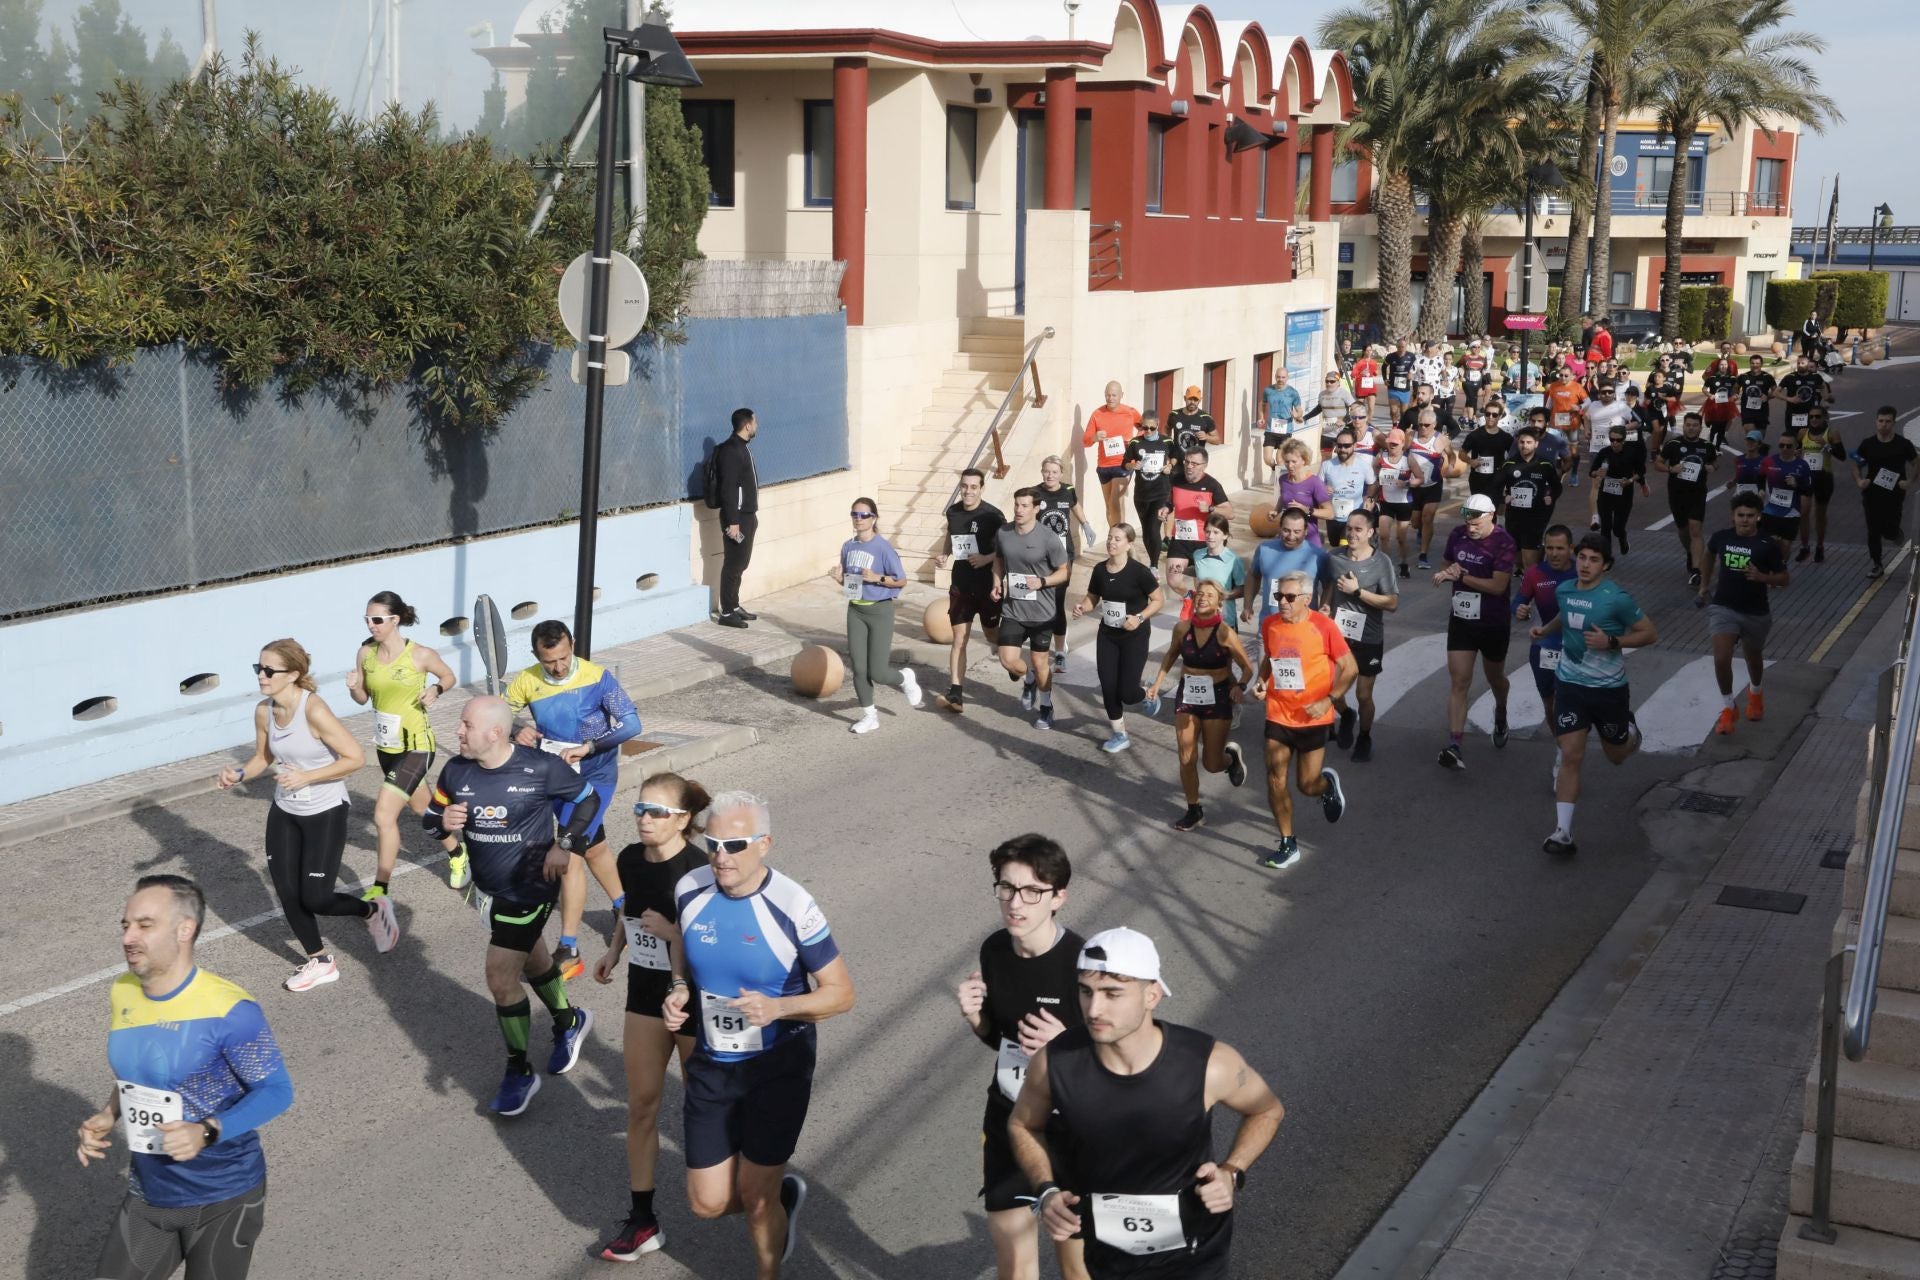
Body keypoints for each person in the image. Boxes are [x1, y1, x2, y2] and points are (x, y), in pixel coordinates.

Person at [1010, 927, 1285, 1280]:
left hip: (1194, 1256)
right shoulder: (1054, 1062)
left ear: (1151, 994)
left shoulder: (1207, 1063)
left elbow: (1267, 1109)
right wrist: (1046, 1191)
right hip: (1108, 1257)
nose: (1094, 1009)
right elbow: (1023, 1124)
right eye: (1085, 991)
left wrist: (1233, 1172)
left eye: (1113, 993)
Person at [661, 791, 856, 1280]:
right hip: (711, 1062)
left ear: (764, 844)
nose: (720, 856)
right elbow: (685, 940)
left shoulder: (793, 905)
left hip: (777, 1068)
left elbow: (840, 994)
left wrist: (779, 1007)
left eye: (735, 844)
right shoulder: (690, 887)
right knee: (707, 1203)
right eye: (712, 844)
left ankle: (768, 1246)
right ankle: (777, 1198)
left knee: (754, 1197)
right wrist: (680, 986)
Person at [80, 876, 294, 1280]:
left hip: (223, 1198)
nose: (128, 936)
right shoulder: (123, 990)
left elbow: (277, 1091)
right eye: (125, 925)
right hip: (149, 1192)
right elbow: (140, 1072)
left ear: (184, 930)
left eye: (144, 925)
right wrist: (110, 1114)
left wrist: (207, 1132)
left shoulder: (229, 1010)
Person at [424, 697, 601, 1115]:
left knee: (500, 977)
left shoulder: (540, 768)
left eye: (466, 725)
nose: (458, 732)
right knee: (533, 961)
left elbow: (589, 800)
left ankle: (519, 1071)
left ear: (495, 733)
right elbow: (431, 818)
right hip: (488, 892)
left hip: (530, 890)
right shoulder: (456, 770)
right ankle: (569, 1021)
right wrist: (442, 824)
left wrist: (566, 844)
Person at [218, 639, 394, 992]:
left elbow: (355, 758)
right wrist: (238, 774)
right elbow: (262, 758)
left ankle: (372, 911)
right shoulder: (262, 710)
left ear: (294, 674)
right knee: (287, 890)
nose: (261, 676)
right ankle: (320, 961)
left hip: (325, 810)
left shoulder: (313, 710)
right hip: (285, 809)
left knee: (316, 897)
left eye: (269, 670)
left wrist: (306, 776)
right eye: (258, 668)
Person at [954, 835, 1091, 1280]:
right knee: (1013, 1267)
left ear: (1058, 898)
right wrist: (976, 1017)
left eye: (1032, 891)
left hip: (1075, 1129)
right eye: (1007, 888)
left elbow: (1123, 1061)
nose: (1016, 903)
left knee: (1077, 1266)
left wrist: (1067, 1044)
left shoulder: (1083, 965)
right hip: (1011, 1118)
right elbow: (1001, 1039)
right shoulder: (995, 950)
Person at [591, 773, 711, 1262]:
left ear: (683, 819)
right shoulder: (627, 858)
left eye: (657, 812)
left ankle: (761, 1188)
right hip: (644, 995)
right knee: (641, 1105)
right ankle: (642, 1221)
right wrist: (615, 952)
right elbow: (629, 911)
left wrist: (674, 932)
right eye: (640, 809)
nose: (644, 819)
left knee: (705, 1108)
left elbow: (713, 947)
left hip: (695, 1002)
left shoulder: (700, 870)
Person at [506, 620, 641, 981]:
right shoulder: (526, 680)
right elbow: (500, 712)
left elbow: (631, 724)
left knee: (569, 856)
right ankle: (626, 909)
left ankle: (569, 949)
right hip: (558, 778)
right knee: (593, 847)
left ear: (573, 645)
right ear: (537, 656)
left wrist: (591, 747)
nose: (559, 667)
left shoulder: (597, 678)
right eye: (550, 661)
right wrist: (516, 728)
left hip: (596, 778)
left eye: (564, 657)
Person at [1531, 536, 1656, 855]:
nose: (1585, 564)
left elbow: (1649, 633)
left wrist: (1613, 643)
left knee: (1617, 756)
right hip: (1570, 685)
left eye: (1593, 559)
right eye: (1582, 557)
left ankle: (1630, 733)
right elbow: (1566, 614)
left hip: (1608, 690)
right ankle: (1562, 832)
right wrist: (1546, 630)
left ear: (1606, 565)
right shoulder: (1565, 589)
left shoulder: (1616, 599)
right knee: (1571, 754)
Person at [344, 591, 465, 898]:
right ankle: (457, 853)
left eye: (377, 619)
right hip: (387, 747)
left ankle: (380, 888)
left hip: (417, 745)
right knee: (422, 807)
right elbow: (363, 698)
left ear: (395, 620)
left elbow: (448, 675)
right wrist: (353, 687)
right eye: (367, 619)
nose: (371, 625)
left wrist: (436, 689)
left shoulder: (419, 655)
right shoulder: (365, 654)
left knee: (384, 815)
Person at [1146, 580, 1255, 833]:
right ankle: (1194, 809)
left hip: (1217, 697)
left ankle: (1231, 759)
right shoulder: (1182, 628)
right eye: (1199, 594)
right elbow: (1171, 655)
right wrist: (1157, 684)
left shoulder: (1226, 633)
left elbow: (1247, 667)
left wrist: (1239, 686)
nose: (1202, 598)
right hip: (1187, 695)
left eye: (1209, 595)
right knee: (1186, 755)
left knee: (1211, 763)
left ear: (1219, 602)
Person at [1435, 494, 1517, 771]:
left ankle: (1501, 710)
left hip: (1493, 622)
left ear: (1491, 515)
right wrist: (1448, 571)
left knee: (1495, 678)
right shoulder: (1457, 534)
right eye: (1467, 518)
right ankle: (1455, 744)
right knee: (1459, 681)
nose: (1470, 524)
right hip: (1462, 619)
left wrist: (1462, 577)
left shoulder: (1504, 542)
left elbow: (1498, 586)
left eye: (1476, 519)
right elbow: (1445, 565)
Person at [1699, 495, 1789, 736]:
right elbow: (1707, 554)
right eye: (1741, 515)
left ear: (1758, 517)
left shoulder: (1766, 544)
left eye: (1750, 516)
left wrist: (1763, 578)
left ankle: (1756, 693)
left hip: (1756, 613)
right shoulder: (1722, 538)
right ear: (1733, 516)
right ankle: (1728, 708)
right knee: (1721, 658)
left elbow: (1784, 579)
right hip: (1724, 608)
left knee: (1753, 658)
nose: (1745, 520)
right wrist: (1704, 585)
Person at [831, 497, 921, 734]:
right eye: (854, 514)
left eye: (863, 515)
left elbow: (901, 579)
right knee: (859, 669)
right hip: (856, 610)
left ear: (874, 518)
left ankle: (905, 678)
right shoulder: (848, 546)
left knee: (878, 673)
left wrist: (878, 578)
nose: (858, 520)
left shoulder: (883, 548)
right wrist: (838, 577)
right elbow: (849, 580)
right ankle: (870, 716)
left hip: (880, 610)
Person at [1073, 523, 1165, 754]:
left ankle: (1146, 692)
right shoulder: (1100, 570)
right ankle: (1119, 734)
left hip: (1135, 636)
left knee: (1127, 692)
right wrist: (1082, 607)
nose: (1112, 542)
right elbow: (1093, 597)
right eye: (1110, 538)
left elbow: (1158, 600)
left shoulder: (1139, 572)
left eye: (1117, 539)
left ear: (1128, 544)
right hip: (1108, 635)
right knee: (1108, 686)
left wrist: (1140, 617)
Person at [995, 487, 1074, 729]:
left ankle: (1046, 706)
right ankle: (1027, 676)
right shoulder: (1004, 532)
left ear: (1036, 509)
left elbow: (1064, 572)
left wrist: (1042, 582)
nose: (1019, 510)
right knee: (1008, 660)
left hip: (1042, 612)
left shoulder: (1048, 538)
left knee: (1041, 663)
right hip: (1013, 609)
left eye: (1025, 505)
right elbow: (999, 559)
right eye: (1017, 505)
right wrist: (997, 581)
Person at [1324, 510, 1396, 763]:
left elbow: (1392, 603)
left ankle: (1364, 736)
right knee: (1330, 689)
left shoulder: (1381, 562)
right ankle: (1346, 715)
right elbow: (1329, 585)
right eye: (1349, 529)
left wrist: (1358, 592)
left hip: (1369, 637)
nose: (1352, 534)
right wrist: (1325, 605)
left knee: (1364, 695)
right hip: (1338, 635)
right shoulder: (1334, 558)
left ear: (1370, 533)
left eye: (1358, 529)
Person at [937, 468, 1007, 713]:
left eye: (973, 487)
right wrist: (944, 554)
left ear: (981, 488)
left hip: (987, 586)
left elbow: (1005, 550)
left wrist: (986, 559)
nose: (968, 491)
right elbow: (951, 534)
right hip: (961, 584)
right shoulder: (953, 512)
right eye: (964, 486)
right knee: (959, 639)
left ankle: (1008, 659)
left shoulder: (994, 516)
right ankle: (956, 692)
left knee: (991, 634)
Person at [1514, 526, 1578, 790]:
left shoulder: (1581, 571)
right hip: (1545, 649)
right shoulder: (1534, 573)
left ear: (1570, 549)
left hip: (1578, 649)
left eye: (1560, 548)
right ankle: (1562, 750)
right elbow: (1519, 599)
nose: (1553, 553)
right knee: (1551, 706)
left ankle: (1571, 755)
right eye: (1549, 547)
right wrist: (1519, 608)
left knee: (1574, 705)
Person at [1036, 456, 1096, 673]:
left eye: (1054, 472)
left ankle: (1060, 652)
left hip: (1063, 554)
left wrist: (1086, 525)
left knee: (1057, 601)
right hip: (1040, 555)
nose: (1050, 476)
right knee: (1043, 600)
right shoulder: (1035, 493)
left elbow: (1075, 506)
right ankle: (1043, 643)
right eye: (1046, 471)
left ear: (1061, 474)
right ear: (1042, 472)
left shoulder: (1068, 490)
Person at [1656, 412, 1720, 588]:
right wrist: (1671, 469)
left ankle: (1697, 571)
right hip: (1677, 495)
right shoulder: (1673, 444)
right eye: (1688, 425)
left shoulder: (1707, 446)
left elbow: (1715, 463)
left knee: (1696, 529)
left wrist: (1711, 467)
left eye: (1695, 425)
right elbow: (1658, 463)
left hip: (1698, 494)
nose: (1691, 428)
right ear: (1683, 426)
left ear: (1700, 427)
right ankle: (1691, 554)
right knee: (1684, 531)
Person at [1857, 405, 1920, 579]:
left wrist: (1909, 482)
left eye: (1888, 422)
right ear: (1876, 422)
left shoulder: (1903, 444)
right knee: (1873, 530)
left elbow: (1917, 462)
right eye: (1881, 421)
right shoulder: (1867, 444)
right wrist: (1860, 480)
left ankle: (1894, 532)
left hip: (1894, 493)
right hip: (1872, 493)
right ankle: (1877, 564)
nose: (1884, 425)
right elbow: (1856, 463)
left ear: (1893, 423)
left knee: (1890, 530)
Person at [1245, 508, 1332, 631]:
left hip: (1304, 630)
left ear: (1306, 531)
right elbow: (1253, 575)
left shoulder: (1318, 555)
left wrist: (1323, 610)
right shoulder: (1264, 549)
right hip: (1270, 628)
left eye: (1297, 532)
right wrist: (1247, 605)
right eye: (1286, 530)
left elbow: (1329, 585)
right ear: (1280, 528)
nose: (1291, 536)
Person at [713, 408, 761, 629]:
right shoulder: (731, 450)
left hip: (746, 516)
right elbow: (729, 488)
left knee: (742, 562)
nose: (756, 425)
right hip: (737, 518)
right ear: (748, 425)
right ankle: (727, 612)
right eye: (755, 421)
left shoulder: (741, 448)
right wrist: (733, 521)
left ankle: (734, 604)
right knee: (733, 563)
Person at [1165, 448, 1233, 589]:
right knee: (1173, 580)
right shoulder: (1176, 479)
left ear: (1204, 465)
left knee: (1203, 585)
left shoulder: (1212, 485)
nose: (1189, 466)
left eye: (1194, 464)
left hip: (1204, 542)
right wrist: (1165, 508)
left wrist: (1210, 509)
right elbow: (1169, 502)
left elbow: (1230, 513)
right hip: (1181, 539)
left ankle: (1200, 607)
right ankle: (1190, 599)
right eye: (1187, 462)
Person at [1498, 426, 1563, 570]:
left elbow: (1557, 487)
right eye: (1522, 442)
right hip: (1514, 517)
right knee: (1518, 561)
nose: (1524, 445)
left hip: (1535, 517)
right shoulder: (1509, 464)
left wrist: (1551, 497)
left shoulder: (1545, 465)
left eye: (1528, 442)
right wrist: (1504, 498)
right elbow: (1496, 486)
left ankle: (1531, 587)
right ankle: (1539, 556)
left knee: (1529, 562)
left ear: (1536, 444)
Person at [1083, 382, 1143, 530]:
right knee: (1110, 507)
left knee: (1115, 500)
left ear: (1121, 395)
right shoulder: (1097, 414)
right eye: (1107, 395)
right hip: (1104, 465)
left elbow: (1145, 428)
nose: (1110, 398)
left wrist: (1134, 442)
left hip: (1124, 463)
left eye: (1114, 395)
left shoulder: (1130, 412)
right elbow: (1085, 441)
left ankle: (1119, 538)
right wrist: (1095, 437)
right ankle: (1119, 540)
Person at [1373, 429, 1425, 578]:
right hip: (1386, 501)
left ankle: (1403, 563)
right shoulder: (1381, 456)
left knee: (1401, 538)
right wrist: (1378, 477)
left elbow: (1420, 479)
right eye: (1390, 443)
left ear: (1402, 444)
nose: (1392, 446)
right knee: (1383, 536)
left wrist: (1407, 483)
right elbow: (1374, 468)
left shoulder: (1408, 459)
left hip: (1404, 503)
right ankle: (1387, 566)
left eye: (1395, 444)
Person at [1795, 405, 1845, 563]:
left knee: (1820, 514)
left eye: (1817, 416)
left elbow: (1842, 456)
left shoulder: (1831, 433)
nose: (1814, 419)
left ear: (1825, 418)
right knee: (1803, 512)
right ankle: (1804, 547)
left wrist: (1826, 445)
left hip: (1824, 477)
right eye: (1811, 417)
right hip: (1806, 477)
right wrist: (1796, 454)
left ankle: (1819, 546)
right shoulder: (1803, 432)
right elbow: (1795, 451)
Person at [1124, 416, 1176, 567]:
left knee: (1154, 529)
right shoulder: (1135, 442)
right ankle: (1152, 561)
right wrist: (1133, 465)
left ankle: (1154, 566)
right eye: (1144, 428)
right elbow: (1125, 463)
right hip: (1141, 494)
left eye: (1152, 428)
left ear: (1158, 426)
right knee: (1147, 532)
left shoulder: (1167, 441)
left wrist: (1170, 466)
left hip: (1160, 492)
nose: (1148, 431)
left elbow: (1175, 457)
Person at [1406, 412, 1453, 570]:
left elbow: (1451, 456)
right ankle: (1420, 530)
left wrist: (1450, 467)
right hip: (1415, 486)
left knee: (1427, 517)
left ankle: (1423, 555)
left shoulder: (1441, 439)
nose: (1423, 428)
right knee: (1415, 522)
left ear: (1434, 425)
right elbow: (1401, 452)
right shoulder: (1411, 435)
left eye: (1427, 425)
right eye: (1421, 425)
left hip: (1433, 485)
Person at [1590, 425, 1644, 559]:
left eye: (1618, 440)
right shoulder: (1604, 452)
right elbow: (1591, 472)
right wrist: (1597, 473)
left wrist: (1630, 481)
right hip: (1606, 495)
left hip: (1624, 495)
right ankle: (1606, 557)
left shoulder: (1631, 453)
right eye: (1612, 439)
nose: (1614, 443)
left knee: (1618, 528)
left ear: (1624, 440)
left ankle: (1622, 537)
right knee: (1605, 528)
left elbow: (1641, 472)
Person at [1318, 429, 1376, 549]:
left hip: (1353, 517)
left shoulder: (1363, 466)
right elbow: (1317, 486)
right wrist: (1323, 489)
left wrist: (1369, 498)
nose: (1343, 449)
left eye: (1347, 446)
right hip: (1333, 516)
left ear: (1354, 445)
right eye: (1340, 446)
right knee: (1334, 543)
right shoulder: (1327, 465)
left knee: (1344, 547)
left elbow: (1373, 484)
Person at [1188, 513, 1246, 631]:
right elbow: (1199, 576)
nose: (1210, 536)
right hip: (1202, 616)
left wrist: (1224, 596)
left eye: (1216, 532)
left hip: (1224, 620)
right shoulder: (1197, 555)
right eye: (1208, 531)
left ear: (1225, 536)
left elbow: (1243, 589)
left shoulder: (1233, 559)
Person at [1759, 435, 1813, 560]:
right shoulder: (1769, 461)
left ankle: (1781, 568)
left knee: (1785, 545)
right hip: (1770, 510)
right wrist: (1761, 489)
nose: (1784, 448)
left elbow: (1809, 491)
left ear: (1795, 447)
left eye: (1788, 446)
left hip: (1791, 513)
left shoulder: (1802, 465)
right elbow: (1760, 477)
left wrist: (1796, 485)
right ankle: (1771, 569)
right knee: (1770, 543)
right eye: (1781, 445)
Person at [1273, 439, 1334, 548]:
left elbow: (1330, 514)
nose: (1289, 465)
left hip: (1309, 538)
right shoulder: (1283, 479)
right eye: (1287, 461)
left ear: (1304, 460)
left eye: (1294, 461)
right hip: (1287, 537)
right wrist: (1275, 511)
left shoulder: (1314, 482)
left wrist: (1307, 510)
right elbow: (1283, 497)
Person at [1459, 403, 1515, 512]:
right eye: (1488, 414)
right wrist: (1471, 461)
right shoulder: (1474, 435)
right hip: (1477, 479)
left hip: (1496, 480)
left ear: (1500, 416)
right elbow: (1462, 453)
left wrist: (1506, 471)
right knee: (1477, 510)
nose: (1490, 417)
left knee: (1491, 511)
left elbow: (1513, 458)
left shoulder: (1506, 437)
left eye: (1494, 415)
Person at [1259, 366, 1305, 471]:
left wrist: (1296, 415)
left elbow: (1299, 410)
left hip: (1286, 430)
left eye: (1283, 377)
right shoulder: (1268, 390)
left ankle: (1278, 484)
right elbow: (1262, 404)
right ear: (1275, 377)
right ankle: (1275, 469)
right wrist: (1261, 417)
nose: (1280, 379)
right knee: (1267, 459)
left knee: (1280, 460)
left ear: (1287, 378)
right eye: (1278, 377)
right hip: (1271, 429)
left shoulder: (1293, 393)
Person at [1777, 354, 1830, 443]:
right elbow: (1776, 392)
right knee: (1792, 439)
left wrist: (1825, 398)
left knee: (1808, 439)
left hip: (1810, 415)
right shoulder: (1790, 377)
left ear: (1808, 364)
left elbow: (1823, 386)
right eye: (1798, 363)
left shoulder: (1815, 377)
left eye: (1802, 363)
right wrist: (1789, 399)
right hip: (1792, 414)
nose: (1800, 365)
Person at [1307, 370, 1356, 456]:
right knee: (1325, 459)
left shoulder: (1344, 393)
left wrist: (1344, 420)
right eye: (1327, 381)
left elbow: (1355, 409)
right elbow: (1319, 408)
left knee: (1343, 457)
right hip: (1327, 432)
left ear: (1338, 383)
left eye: (1332, 381)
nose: (1329, 384)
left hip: (1342, 432)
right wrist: (1304, 418)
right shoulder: (1322, 394)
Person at [1167, 385, 1222, 458]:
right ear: (1184, 398)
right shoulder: (1174, 414)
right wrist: (1168, 445)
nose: (1192, 402)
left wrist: (1206, 437)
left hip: (1195, 463)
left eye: (1195, 400)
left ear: (1200, 400)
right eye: (1190, 399)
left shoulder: (1206, 418)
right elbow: (1167, 429)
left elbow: (1218, 440)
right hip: (1176, 461)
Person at [1700, 357, 1741, 450]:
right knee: (1715, 426)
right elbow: (1704, 389)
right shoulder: (1712, 378)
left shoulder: (1732, 379)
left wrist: (1736, 395)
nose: (1723, 366)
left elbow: (1737, 389)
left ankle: (1717, 447)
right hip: (1714, 405)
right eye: (1721, 364)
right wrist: (1709, 395)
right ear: (1718, 366)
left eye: (1725, 364)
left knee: (1722, 427)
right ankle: (1710, 442)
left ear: (1728, 366)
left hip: (1727, 405)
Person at [1737, 354, 1777, 438]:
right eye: (1753, 363)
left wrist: (1767, 396)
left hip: (1762, 411)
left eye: (1757, 363)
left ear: (1761, 364)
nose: (1755, 365)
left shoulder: (1768, 377)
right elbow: (1735, 389)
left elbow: (1776, 392)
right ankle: (1751, 449)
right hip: (1747, 410)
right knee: (1751, 436)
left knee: (1759, 437)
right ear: (1750, 364)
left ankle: (1758, 450)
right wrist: (1735, 395)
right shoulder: (1743, 377)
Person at [1383, 338, 1417, 421]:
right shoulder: (1390, 356)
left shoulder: (1412, 356)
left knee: (1403, 412)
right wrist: (1385, 379)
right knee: (1393, 411)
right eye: (1399, 347)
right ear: (1396, 347)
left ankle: (1402, 427)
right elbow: (1383, 367)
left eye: (1403, 347)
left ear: (1406, 346)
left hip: (1405, 388)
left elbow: (1417, 368)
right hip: (1393, 387)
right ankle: (1394, 426)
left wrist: (1412, 374)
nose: (1401, 349)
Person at [1458, 338, 1493, 414]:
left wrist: (1483, 375)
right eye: (1474, 347)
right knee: (1471, 398)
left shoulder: (1483, 358)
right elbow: (1457, 366)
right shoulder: (1465, 357)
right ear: (1470, 348)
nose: (1477, 349)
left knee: (1473, 398)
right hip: (1467, 381)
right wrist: (1460, 376)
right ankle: (1471, 418)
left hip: (1478, 381)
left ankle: (1465, 417)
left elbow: (1484, 368)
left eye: (1478, 347)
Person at [1350, 346, 1383, 422]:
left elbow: (1375, 373)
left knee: (1371, 408)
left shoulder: (1373, 362)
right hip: (1361, 388)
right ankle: (1360, 422)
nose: (1369, 352)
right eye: (1367, 350)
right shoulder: (1360, 362)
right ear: (1364, 351)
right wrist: (1361, 373)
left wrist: (1376, 372)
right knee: (1359, 409)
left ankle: (1368, 424)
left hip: (1371, 387)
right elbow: (1352, 375)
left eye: (1370, 350)